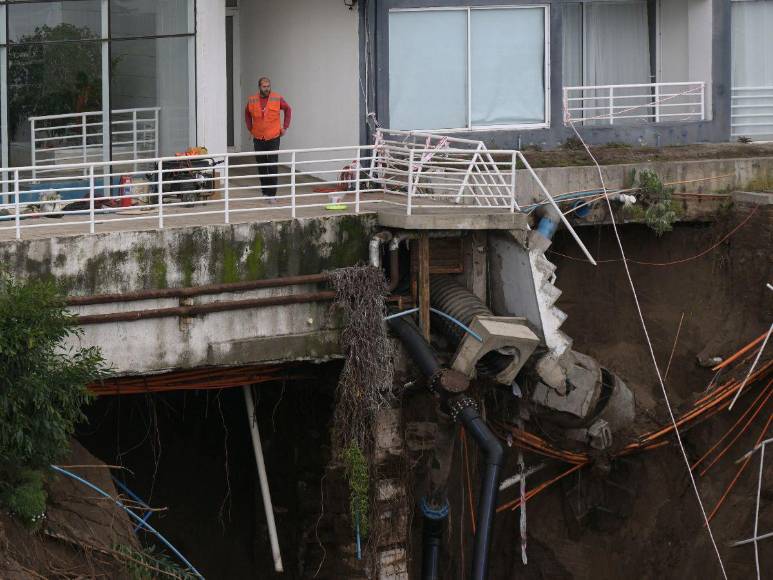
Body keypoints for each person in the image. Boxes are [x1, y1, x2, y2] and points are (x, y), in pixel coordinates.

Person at [245, 77, 292, 198]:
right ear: (259, 87)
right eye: (264, 86)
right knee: (261, 165)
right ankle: (265, 191)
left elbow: (288, 109)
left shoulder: (277, 98)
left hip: (273, 137)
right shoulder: (252, 100)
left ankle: (272, 194)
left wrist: (285, 127)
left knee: (272, 165)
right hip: (258, 137)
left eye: (268, 86)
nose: (267, 89)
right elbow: (247, 113)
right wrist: (250, 128)